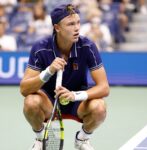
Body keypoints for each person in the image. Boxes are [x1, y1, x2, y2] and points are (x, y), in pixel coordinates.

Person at [20, 4, 109, 150]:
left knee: (100, 107)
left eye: (78, 22)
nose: (77, 28)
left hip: (77, 102)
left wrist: (74, 95)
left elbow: (104, 88)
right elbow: (24, 89)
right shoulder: (40, 47)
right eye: (71, 24)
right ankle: (41, 139)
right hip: (48, 101)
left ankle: (82, 139)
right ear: (57, 28)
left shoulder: (87, 46)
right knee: (30, 102)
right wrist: (48, 71)